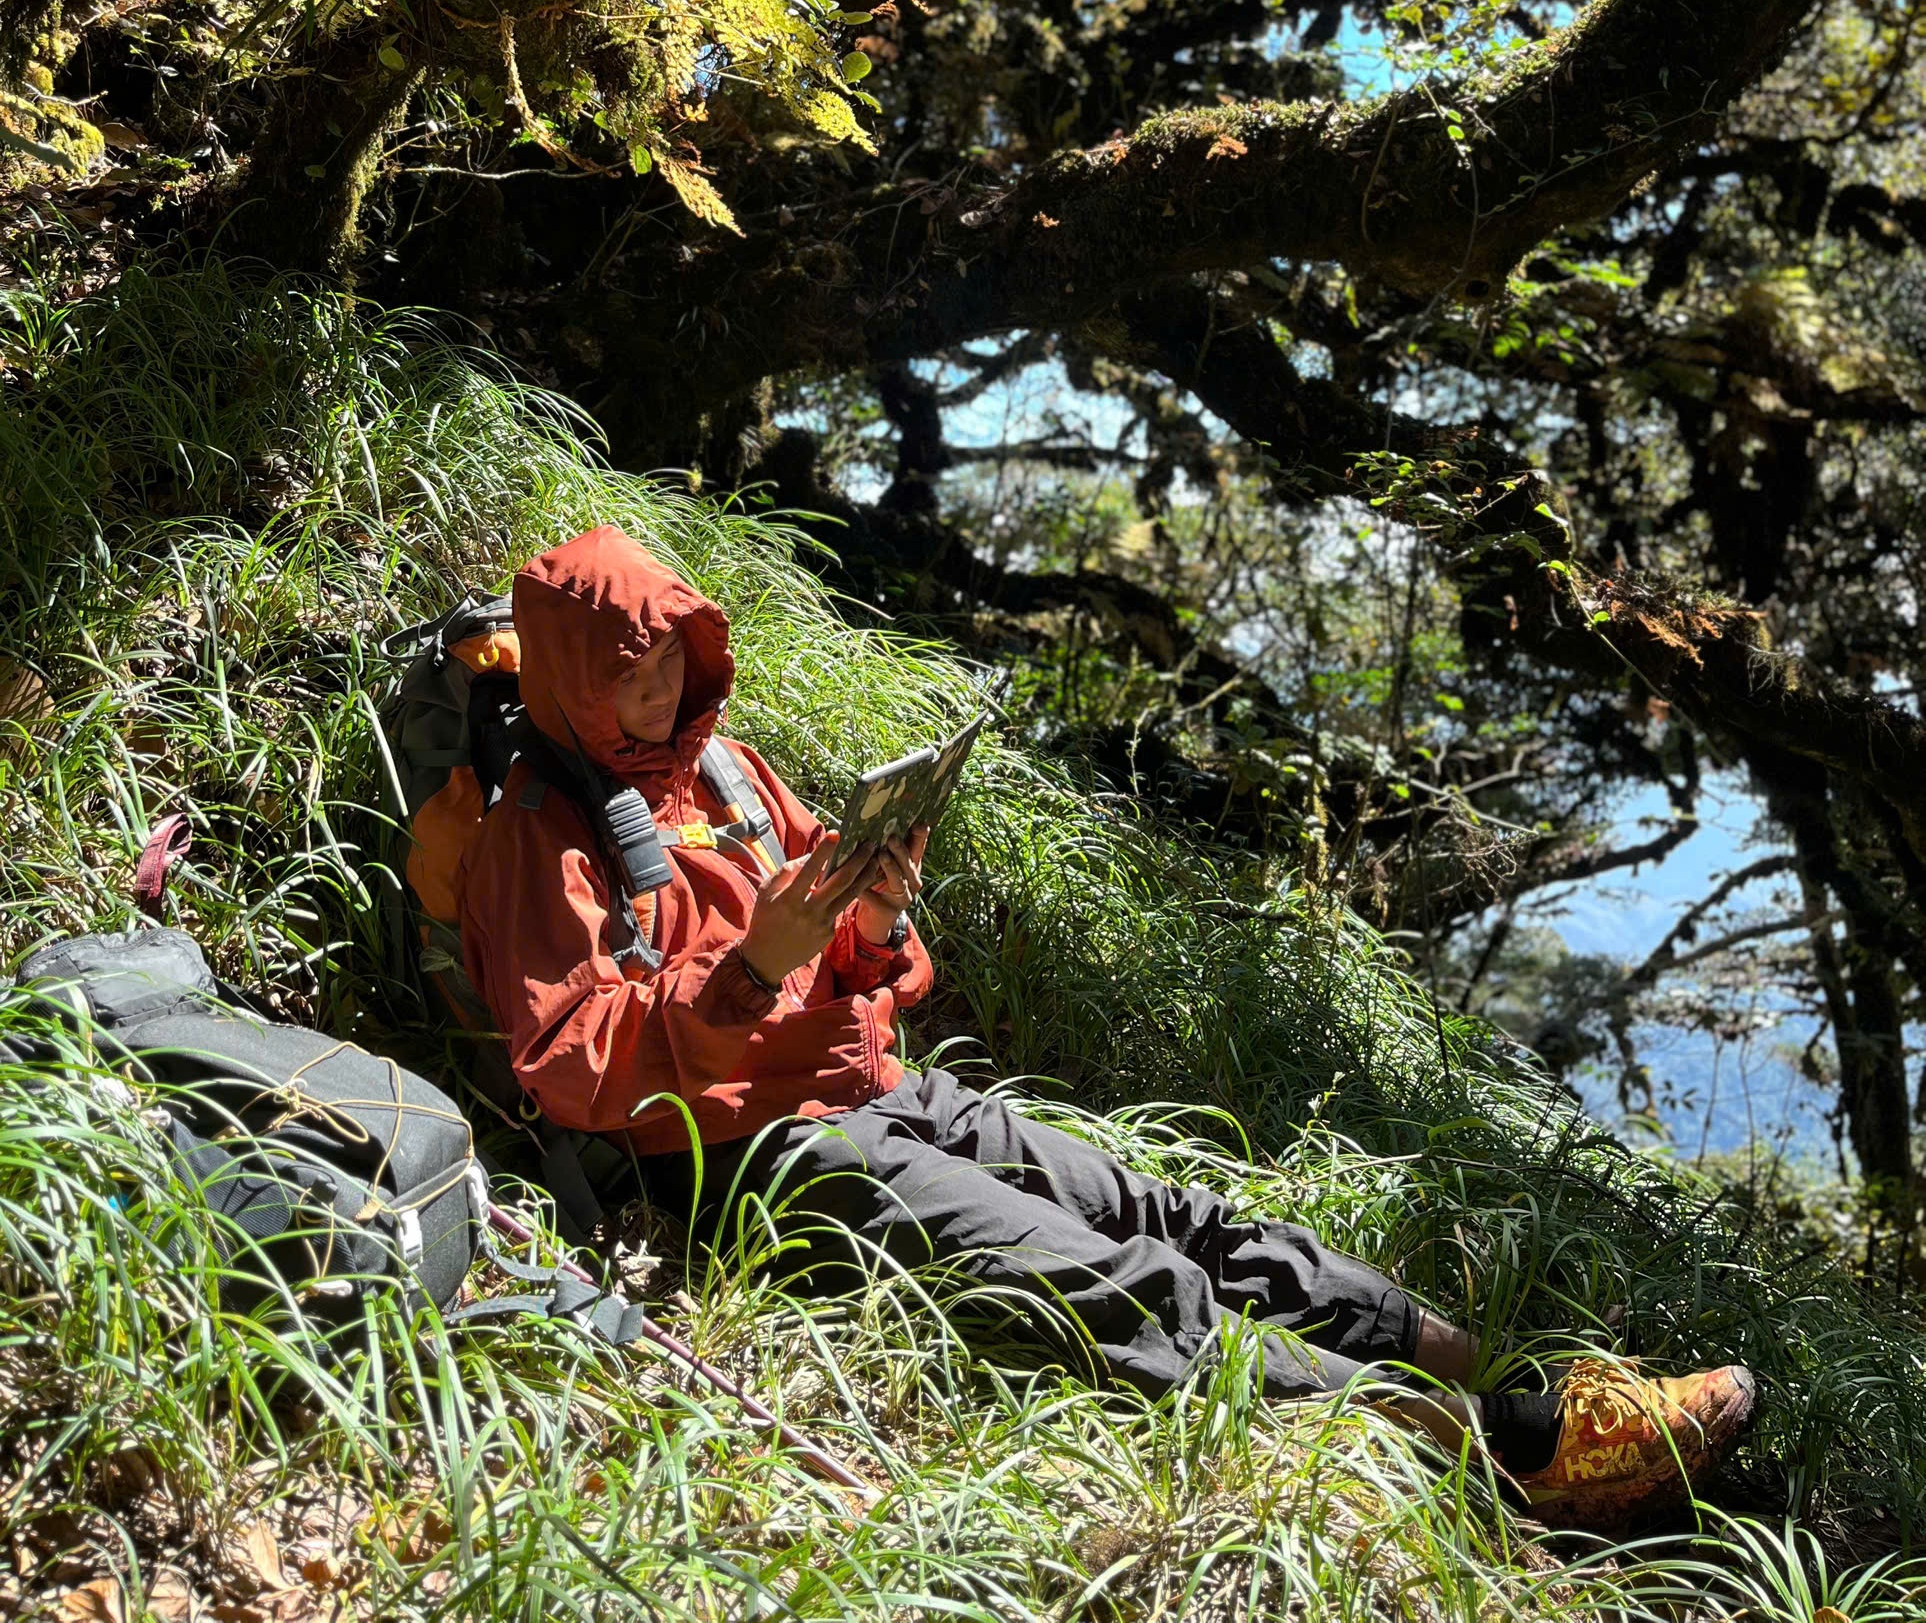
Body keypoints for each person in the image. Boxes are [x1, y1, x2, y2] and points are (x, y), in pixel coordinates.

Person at [456, 527, 1756, 1527]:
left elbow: (866, 974)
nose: (666, 687)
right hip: (741, 1155)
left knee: (1183, 1219)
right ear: (576, 680)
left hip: (863, 1087)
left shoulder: (732, 772)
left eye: (678, 654)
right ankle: (1511, 1456)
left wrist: (869, 926)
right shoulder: (538, 840)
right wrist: (751, 971)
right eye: (635, 672)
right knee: (1120, 1282)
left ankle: (1507, 1370)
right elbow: (573, 1071)